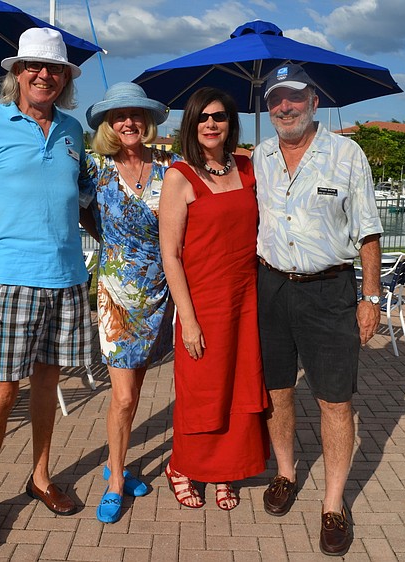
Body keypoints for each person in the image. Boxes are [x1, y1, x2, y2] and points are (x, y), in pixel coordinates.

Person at [0, 27, 96, 551]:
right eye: (34, 66)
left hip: (68, 279)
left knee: (46, 385)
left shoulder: (73, 131)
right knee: (1, 390)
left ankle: (40, 477)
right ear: (16, 73)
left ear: (65, 79)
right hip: (11, 281)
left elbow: (84, 204)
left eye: (54, 68)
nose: (44, 75)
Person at [252, 64, 383, 556]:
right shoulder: (261, 156)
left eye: (293, 97)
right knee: (278, 390)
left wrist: (370, 298)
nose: (284, 107)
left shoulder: (346, 154)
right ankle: (285, 473)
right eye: (275, 99)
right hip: (271, 287)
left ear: (313, 101)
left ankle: (332, 503)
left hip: (329, 291)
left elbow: (368, 230)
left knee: (335, 400)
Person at [158, 87, 269, 511]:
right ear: (191, 123)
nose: (210, 123)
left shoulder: (247, 167)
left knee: (239, 386)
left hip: (246, 298)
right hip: (202, 301)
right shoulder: (179, 176)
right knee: (202, 390)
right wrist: (187, 320)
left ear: (230, 123)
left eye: (219, 116)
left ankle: (226, 470)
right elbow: (170, 254)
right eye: (202, 117)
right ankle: (182, 467)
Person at [83, 82, 179, 524]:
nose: (128, 122)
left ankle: (116, 463)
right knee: (122, 397)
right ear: (108, 123)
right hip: (117, 297)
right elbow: (71, 209)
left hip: (160, 292)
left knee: (136, 388)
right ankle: (115, 484)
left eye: (136, 114)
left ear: (148, 120)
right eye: (120, 115)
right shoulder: (96, 169)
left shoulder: (170, 167)